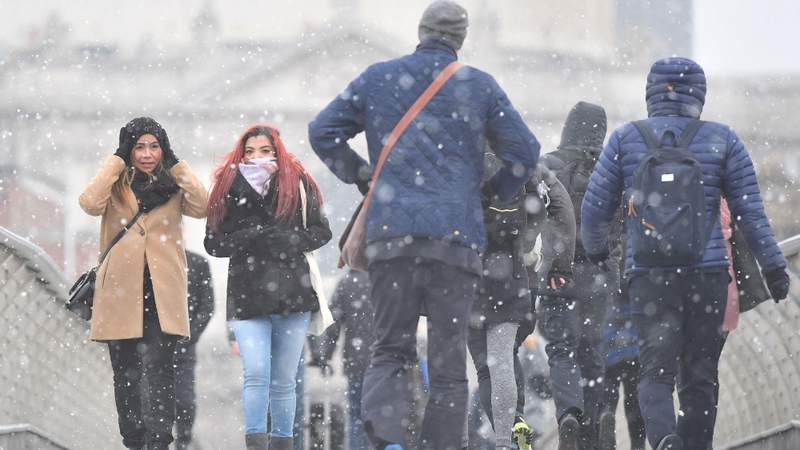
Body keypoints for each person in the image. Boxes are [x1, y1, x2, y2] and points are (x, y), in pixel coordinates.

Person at [307, 1, 540, 447]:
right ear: (461, 38)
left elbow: (323, 131)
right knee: (449, 362)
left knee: (390, 350)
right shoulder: (479, 86)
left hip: (392, 237)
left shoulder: (379, 77)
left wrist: (363, 177)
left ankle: (389, 440)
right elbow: (525, 153)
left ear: (420, 31)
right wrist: (490, 193)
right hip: (456, 241)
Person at [580, 56, 790, 450]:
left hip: (649, 276)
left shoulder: (626, 140)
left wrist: (599, 254)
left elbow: (593, 214)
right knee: (699, 376)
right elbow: (751, 214)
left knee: (654, 373)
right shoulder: (722, 139)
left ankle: (663, 440)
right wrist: (774, 267)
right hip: (707, 276)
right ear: (699, 94)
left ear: (650, 93)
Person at [78, 117, 209, 450]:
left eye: (154, 146)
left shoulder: (173, 184)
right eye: (139, 146)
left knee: (162, 374)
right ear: (128, 149)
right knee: (126, 375)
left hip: (162, 294)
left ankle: (161, 442)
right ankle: (134, 441)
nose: (147, 153)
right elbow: (89, 203)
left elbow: (204, 205)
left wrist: (176, 163)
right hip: (120, 293)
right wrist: (117, 160)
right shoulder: (115, 183)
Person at [204, 124, 332, 450]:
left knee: (284, 381)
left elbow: (321, 232)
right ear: (240, 154)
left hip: (294, 292)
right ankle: (257, 442)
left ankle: (283, 444)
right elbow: (213, 243)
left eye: (264, 151)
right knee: (257, 372)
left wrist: (289, 240)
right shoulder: (227, 187)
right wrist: (249, 237)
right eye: (250, 152)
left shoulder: (298, 182)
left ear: (276, 150)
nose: (257, 158)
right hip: (248, 294)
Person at [465, 158, 575, 450]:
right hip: (517, 274)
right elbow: (560, 207)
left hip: (470, 272)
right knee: (503, 357)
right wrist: (560, 265)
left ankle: (510, 428)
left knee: (486, 367)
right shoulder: (523, 158)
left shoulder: (461, 154)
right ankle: (513, 428)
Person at [539, 101, 620, 450]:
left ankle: (568, 415)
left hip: (559, 274)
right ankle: (598, 415)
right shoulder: (613, 168)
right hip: (600, 276)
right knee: (592, 350)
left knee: (561, 351)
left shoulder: (547, 165)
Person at [308, 269, 374, 450]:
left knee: (357, 417)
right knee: (384, 418)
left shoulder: (348, 283)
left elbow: (333, 326)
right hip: (387, 364)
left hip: (357, 361)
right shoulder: (389, 279)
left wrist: (325, 357)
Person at [597, 266, 646, 450]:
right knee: (634, 399)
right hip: (634, 324)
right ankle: (638, 445)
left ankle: (607, 415)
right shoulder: (636, 240)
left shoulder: (604, 241)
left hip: (608, 327)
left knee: (607, 390)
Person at [174, 249, 216, 450]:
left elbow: (207, 306)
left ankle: (183, 443)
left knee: (184, 402)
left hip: (183, 350)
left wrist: (187, 338)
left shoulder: (197, 263)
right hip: (150, 349)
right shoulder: (146, 260)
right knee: (149, 404)